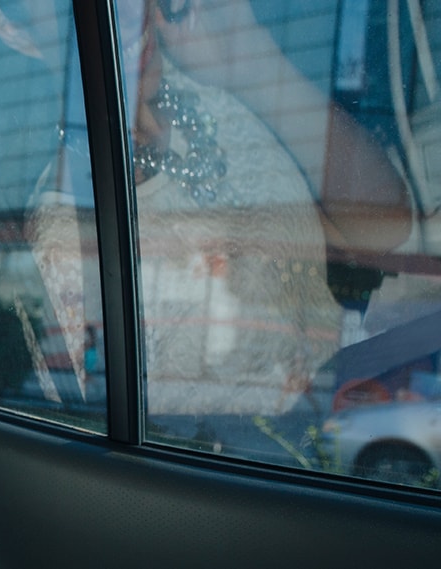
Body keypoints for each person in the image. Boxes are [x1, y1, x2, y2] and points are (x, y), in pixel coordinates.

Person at [24, 0, 411, 414]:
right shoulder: (66, 233)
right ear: (15, 32)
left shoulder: (200, 95)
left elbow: (384, 227)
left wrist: (255, 64)